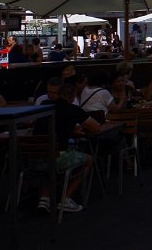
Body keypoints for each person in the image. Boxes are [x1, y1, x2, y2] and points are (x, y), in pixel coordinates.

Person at [32, 82, 99, 214]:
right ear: (72, 96)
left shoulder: (44, 107)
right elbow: (95, 127)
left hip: (34, 159)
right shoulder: (73, 110)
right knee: (89, 160)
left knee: (47, 156)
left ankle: (44, 199)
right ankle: (66, 198)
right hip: (57, 158)